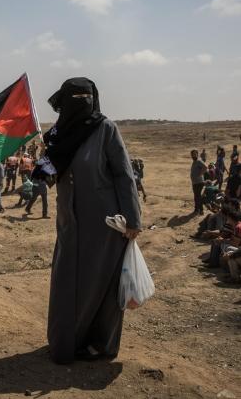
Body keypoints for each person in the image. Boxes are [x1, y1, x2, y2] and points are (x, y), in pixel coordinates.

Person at [43, 78, 141, 364]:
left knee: (100, 287)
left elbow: (124, 175)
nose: (81, 101)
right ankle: (65, 343)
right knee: (67, 283)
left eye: (86, 96)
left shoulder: (105, 129)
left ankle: (100, 345)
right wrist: (42, 155)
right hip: (69, 225)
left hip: (105, 225)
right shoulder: (58, 134)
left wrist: (133, 219)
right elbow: (46, 176)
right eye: (75, 97)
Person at [190, 149, 208, 216]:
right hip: (195, 182)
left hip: (199, 182)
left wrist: (200, 174)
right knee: (196, 196)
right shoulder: (194, 161)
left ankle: (201, 210)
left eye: (194, 154)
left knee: (198, 196)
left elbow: (205, 167)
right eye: (192, 154)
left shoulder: (199, 161)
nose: (193, 155)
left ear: (197, 154)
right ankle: (197, 209)